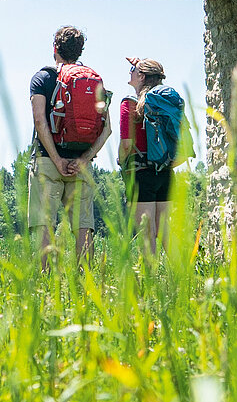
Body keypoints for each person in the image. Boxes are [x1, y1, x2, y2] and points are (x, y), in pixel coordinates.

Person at [28, 25, 111, 254]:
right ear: (80, 51)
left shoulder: (42, 78)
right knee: (84, 226)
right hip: (80, 163)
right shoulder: (93, 81)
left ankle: (45, 282)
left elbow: (39, 121)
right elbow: (107, 129)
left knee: (44, 223)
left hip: (47, 160)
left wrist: (55, 159)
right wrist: (84, 160)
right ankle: (86, 283)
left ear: (55, 48)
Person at [121, 57, 186, 249]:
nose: (130, 72)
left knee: (146, 233)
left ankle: (150, 279)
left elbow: (126, 144)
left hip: (141, 172)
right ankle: (180, 276)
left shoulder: (129, 103)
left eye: (133, 69)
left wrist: (122, 162)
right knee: (165, 231)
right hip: (165, 172)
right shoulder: (167, 102)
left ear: (141, 76)